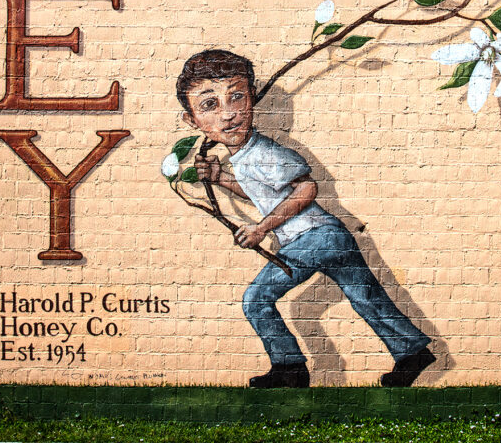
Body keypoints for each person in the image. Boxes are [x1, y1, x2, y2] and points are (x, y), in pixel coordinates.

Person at [176, 49, 434, 388]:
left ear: (252, 98)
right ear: (192, 121)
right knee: (364, 295)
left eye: (236, 97)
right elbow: (263, 192)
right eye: (210, 105)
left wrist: (261, 229)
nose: (228, 114)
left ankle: (290, 368)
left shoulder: (266, 151)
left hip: (314, 238)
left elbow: (306, 189)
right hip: (332, 237)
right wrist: (222, 179)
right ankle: (411, 350)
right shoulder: (244, 156)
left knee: (257, 299)